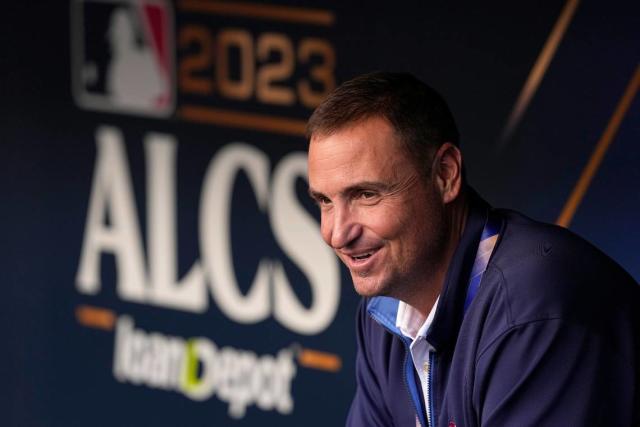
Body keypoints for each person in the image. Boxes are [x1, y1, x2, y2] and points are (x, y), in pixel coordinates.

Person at [306, 72, 639, 427]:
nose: (338, 233)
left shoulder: (533, 308)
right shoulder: (386, 309)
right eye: (325, 201)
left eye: (366, 195)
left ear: (446, 174)